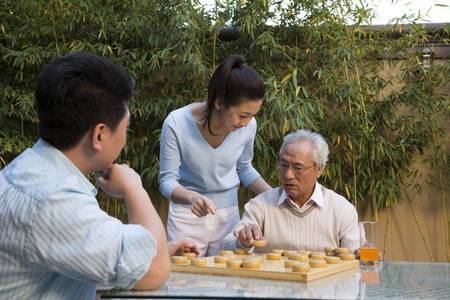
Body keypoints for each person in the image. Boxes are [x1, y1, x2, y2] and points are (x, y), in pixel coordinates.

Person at [0, 52, 199, 300]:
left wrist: (154, 250)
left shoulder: (25, 171)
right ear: (99, 135)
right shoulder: (56, 200)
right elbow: (154, 272)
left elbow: (72, 252)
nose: (125, 136)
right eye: (126, 127)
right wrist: (133, 188)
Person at [159, 55, 272, 257]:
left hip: (229, 216)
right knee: (185, 284)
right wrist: (192, 197)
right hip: (187, 215)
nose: (246, 123)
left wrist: (276, 197)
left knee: (227, 282)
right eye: (242, 115)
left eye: (252, 116)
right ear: (219, 102)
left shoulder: (248, 126)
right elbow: (167, 180)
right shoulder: (176, 123)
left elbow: (244, 168)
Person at [220, 129, 360, 254]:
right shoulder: (260, 205)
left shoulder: (342, 210)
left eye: (298, 167)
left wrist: (366, 259)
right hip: (273, 282)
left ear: (319, 169)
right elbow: (225, 247)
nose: (288, 175)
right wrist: (242, 242)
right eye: (284, 165)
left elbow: (356, 265)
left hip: (324, 283)